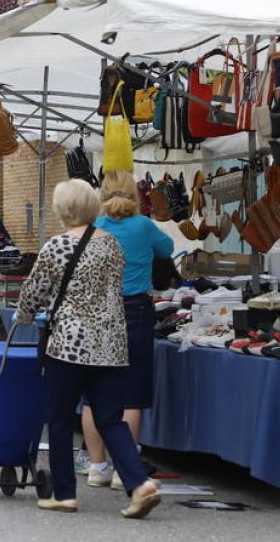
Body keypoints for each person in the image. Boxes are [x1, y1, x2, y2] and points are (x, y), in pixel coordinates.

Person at [15, 178, 161, 518]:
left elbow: (34, 292)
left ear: (62, 209)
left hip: (69, 345)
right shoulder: (111, 245)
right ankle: (140, 484)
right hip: (111, 343)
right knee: (111, 417)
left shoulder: (56, 246)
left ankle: (65, 494)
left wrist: (23, 316)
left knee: (62, 418)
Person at [82, 170, 175, 490]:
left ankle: (97, 467)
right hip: (136, 311)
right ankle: (125, 469)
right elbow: (167, 249)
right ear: (135, 194)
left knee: (94, 395)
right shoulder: (144, 227)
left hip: (98, 313)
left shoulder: (93, 229)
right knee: (132, 395)